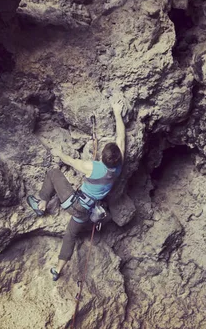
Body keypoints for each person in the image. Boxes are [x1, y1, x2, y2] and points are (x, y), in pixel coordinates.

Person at [27, 99, 127, 281]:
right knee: (70, 235)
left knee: (53, 173)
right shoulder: (118, 168)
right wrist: (117, 112)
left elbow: (70, 162)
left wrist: (58, 153)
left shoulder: (93, 167)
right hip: (87, 212)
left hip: (74, 202)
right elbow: (121, 138)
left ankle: (41, 205)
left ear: (103, 158)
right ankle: (57, 270)